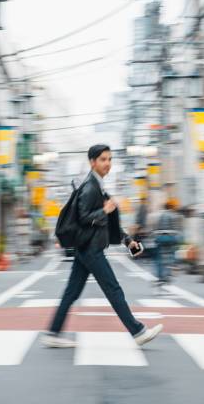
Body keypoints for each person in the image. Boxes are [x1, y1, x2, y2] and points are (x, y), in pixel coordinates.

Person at [41, 144, 163, 348]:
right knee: (113, 289)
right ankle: (138, 331)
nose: (108, 163)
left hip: (86, 248)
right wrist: (104, 210)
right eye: (103, 159)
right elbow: (83, 218)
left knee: (72, 292)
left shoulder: (97, 185)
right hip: (91, 249)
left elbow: (107, 223)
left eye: (109, 159)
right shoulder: (91, 187)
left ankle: (53, 332)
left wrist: (127, 240)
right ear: (92, 162)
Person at [152, 199, 183, 292]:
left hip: (160, 238)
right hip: (171, 239)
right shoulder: (175, 216)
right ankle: (172, 267)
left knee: (158, 257)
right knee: (173, 252)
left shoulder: (159, 215)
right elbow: (178, 230)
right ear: (172, 207)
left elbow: (155, 228)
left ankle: (160, 276)